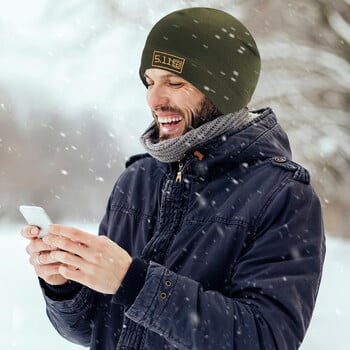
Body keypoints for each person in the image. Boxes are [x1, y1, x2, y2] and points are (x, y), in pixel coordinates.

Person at [21, 7, 325, 350]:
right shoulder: (136, 180)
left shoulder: (282, 196)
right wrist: (64, 285)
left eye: (175, 83)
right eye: (150, 82)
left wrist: (132, 282)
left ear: (223, 90)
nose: (154, 99)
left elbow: (266, 339)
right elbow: (98, 331)